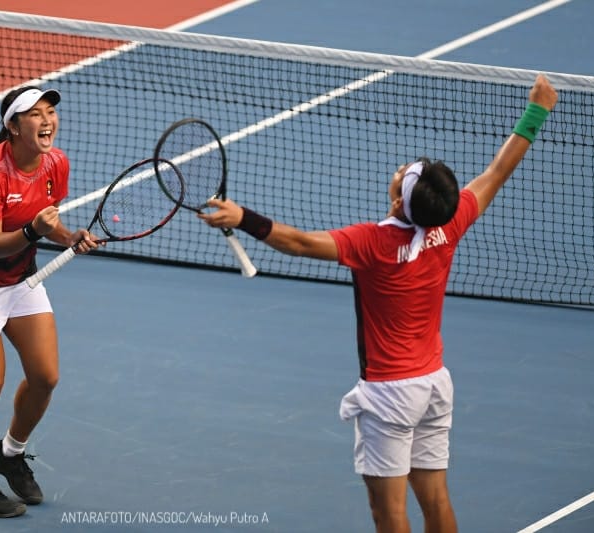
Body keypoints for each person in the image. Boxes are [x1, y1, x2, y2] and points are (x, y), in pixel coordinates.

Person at [199, 74, 557, 532]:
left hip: (389, 395)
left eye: (405, 172)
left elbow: (301, 244)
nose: (405, 166)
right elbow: (496, 172)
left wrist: (243, 217)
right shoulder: (451, 222)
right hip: (433, 384)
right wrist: (537, 111)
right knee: (436, 501)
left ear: (398, 199)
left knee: (388, 515)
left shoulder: (373, 243)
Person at [0, 86, 98, 518]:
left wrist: (68, 236)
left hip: (21, 283)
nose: (46, 121)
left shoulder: (55, 162)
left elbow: (49, 219)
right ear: (12, 126)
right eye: (34, 114)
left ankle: (9, 453)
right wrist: (34, 233)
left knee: (45, 377)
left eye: (50, 112)